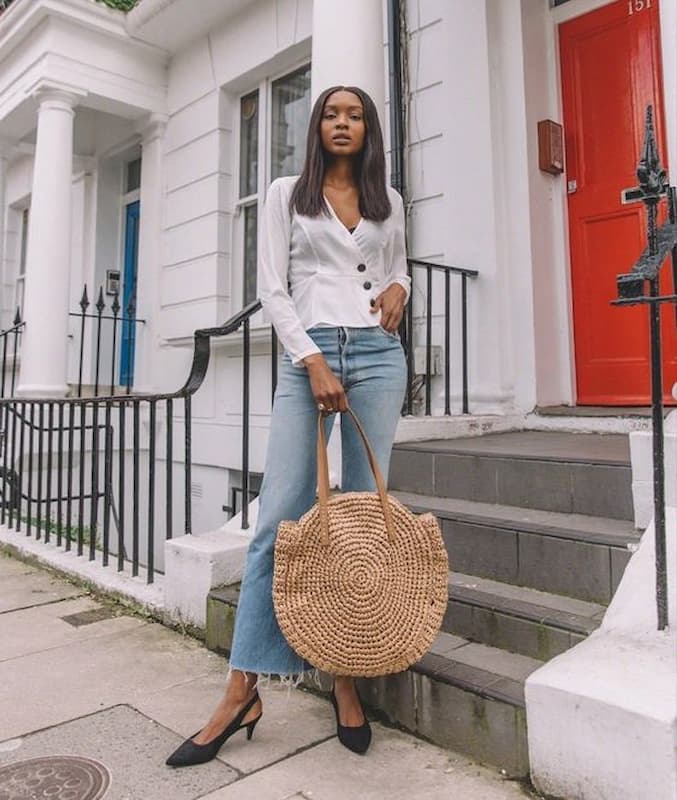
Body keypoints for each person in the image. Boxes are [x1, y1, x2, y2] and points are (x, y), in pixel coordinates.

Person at [166, 84, 410, 767]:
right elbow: (271, 287)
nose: (342, 122)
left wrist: (401, 288)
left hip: (378, 359)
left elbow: (396, 270)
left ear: (367, 130)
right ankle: (242, 687)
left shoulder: (389, 204)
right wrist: (310, 360)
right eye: (331, 113)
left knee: (360, 524)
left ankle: (344, 677)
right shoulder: (284, 194)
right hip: (310, 360)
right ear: (316, 126)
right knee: (277, 519)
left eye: (354, 114)